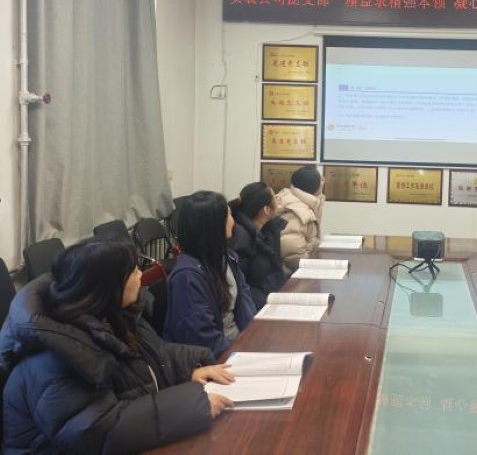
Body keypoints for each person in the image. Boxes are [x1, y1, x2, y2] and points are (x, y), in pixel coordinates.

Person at [0, 238, 235, 454]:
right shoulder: (52, 355)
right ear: (107, 285)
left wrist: (189, 370)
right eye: (133, 270)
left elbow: (151, 359)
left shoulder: (114, 314)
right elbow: (97, 430)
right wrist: (191, 405)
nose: (141, 274)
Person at [164, 190, 257, 358]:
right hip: (218, 357)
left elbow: (245, 302)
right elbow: (202, 340)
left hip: (239, 344)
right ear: (213, 226)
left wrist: (253, 336)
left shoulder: (227, 257)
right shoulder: (186, 278)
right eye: (228, 215)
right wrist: (241, 352)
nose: (233, 221)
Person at [229, 181, 287, 309]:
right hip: (256, 306)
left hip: (270, 298)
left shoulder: (269, 230)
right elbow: (242, 286)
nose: (279, 201)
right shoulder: (241, 240)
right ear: (266, 210)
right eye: (276, 198)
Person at [275, 165, 325, 274]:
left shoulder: (301, 202)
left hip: (296, 271)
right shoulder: (296, 210)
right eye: (321, 181)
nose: (323, 183)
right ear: (316, 187)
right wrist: (313, 269)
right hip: (289, 276)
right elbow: (293, 254)